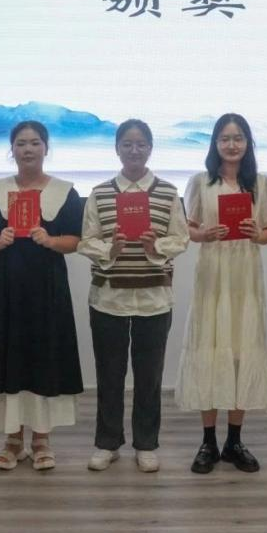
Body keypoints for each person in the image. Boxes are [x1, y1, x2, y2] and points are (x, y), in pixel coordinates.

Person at [0, 121, 84, 471]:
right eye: (21, 143)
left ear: (46, 148)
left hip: (47, 288)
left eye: (35, 142)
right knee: (8, 357)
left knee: (43, 357)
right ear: (12, 149)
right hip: (5, 287)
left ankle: (41, 439)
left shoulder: (65, 191)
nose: (28, 149)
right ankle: (12, 440)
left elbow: (75, 240)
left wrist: (50, 241)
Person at [78, 119, 189, 473]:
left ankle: (146, 443)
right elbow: (86, 240)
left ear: (151, 148)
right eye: (127, 144)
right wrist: (109, 249)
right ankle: (107, 442)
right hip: (108, 297)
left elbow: (181, 238)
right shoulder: (99, 193)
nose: (134, 150)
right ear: (117, 148)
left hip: (154, 297)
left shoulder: (168, 192)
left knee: (149, 376)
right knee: (109, 374)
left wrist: (156, 246)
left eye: (141, 144)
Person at [176, 113, 267, 474]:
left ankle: (235, 441)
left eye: (238, 138)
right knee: (209, 349)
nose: (232, 145)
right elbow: (187, 228)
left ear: (248, 143)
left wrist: (256, 234)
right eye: (225, 138)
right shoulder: (200, 182)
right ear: (215, 143)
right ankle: (208, 441)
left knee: (241, 350)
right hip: (212, 277)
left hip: (245, 277)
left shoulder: (261, 183)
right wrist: (203, 234)